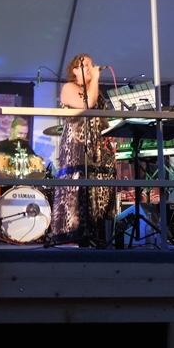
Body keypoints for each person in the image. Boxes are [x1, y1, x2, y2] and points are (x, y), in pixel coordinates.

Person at [51, 54, 116, 245]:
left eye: (92, 64)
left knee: (101, 193)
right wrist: (95, 79)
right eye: (85, 65)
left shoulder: (96, 91)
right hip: (78, 150)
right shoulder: (69, 88)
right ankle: (78, 236)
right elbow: (87, 104)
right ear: (74, 70)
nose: (90, 67)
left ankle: (100, 236)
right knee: (80, 194)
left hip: (100, 151)